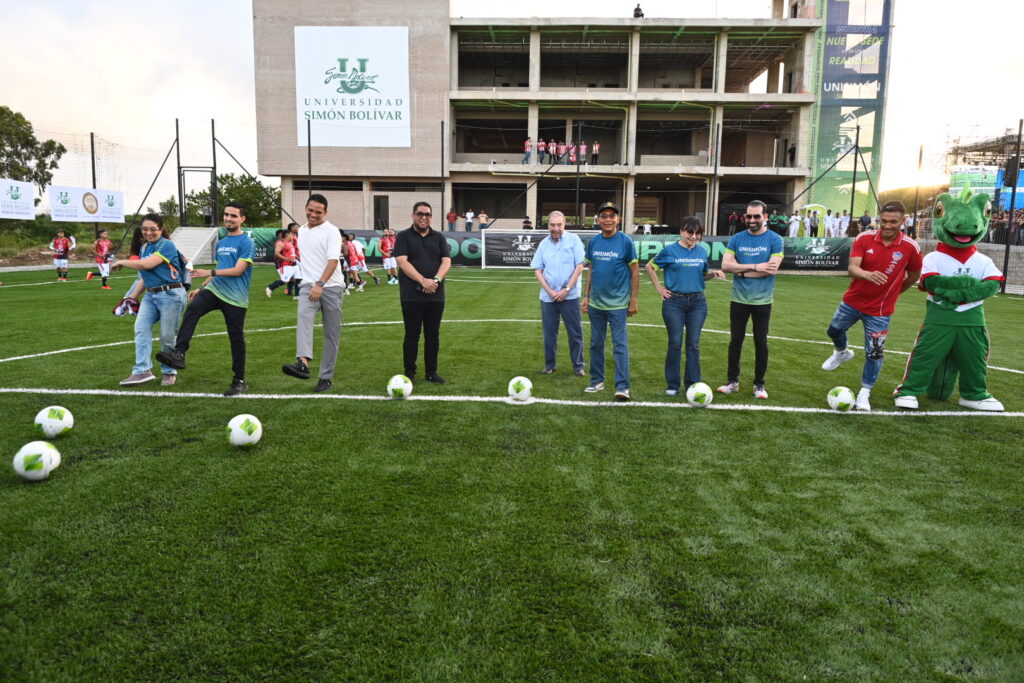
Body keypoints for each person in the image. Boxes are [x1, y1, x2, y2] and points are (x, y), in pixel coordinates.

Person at [821, 200, 922, 411]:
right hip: (852, 301)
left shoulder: (910, 247)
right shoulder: (864, 238)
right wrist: (867, 275)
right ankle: (841, 352)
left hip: (880, 311)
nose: (887, 225)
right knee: (834, 331)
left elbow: (914, 276)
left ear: (903, 221)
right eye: (884, 221)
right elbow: (852, 267)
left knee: (875, 352)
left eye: (893, 222)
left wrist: (893, 294)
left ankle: (864, 392)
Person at [156, 201, 254, 397]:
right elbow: (221, 267)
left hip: (235, 298)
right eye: (226, 214)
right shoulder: (222, 242)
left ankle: (239, 381)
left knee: (236, 338)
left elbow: (238, 270)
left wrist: (209, 272)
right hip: (215, 289)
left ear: (242, 219)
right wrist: (201, 287)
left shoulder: (247, 242)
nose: (228, 219)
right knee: (193, 309)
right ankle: (179, 353)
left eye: (234, 216)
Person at [646, 217, 725, 395]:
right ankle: (673, 384)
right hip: (674, 303)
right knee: (675, 343)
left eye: (698, 233)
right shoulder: (670, 250)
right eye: (690, 232)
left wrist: (713, 274)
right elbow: (650, 267)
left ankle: (693, 384)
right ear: (682, 231)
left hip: (698, 303)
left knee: (693, 344)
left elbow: (702, 275)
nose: (694, 236)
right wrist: (659, 288)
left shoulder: (702, 252)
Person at [717, 200, 784, 400]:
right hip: (738, 299)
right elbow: (725, 266)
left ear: (765, 217)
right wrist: (755, 267)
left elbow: (771, 269)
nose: (752, 220)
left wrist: (741, 271)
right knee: (735, 341)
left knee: (760, 342)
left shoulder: (775, 239)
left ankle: (759, 384)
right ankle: (732, 381)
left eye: (756, 216)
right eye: (749, 216)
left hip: (763, 301)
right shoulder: (737, 239)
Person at [111, 214, 188, 387]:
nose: (148, 232)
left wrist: (121, 261)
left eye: (153, 229)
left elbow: (146, 265)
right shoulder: (145, 247)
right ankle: (142, 371)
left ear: (161, 229)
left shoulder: (167, 245)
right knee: (141, 329)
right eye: (145, 229)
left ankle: (169, 372)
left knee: (166, 336)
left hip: (171, 294)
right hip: (151, 295)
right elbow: (144, 277)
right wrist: (131, 297)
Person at [280, 194, 344, 393]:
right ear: (305, 208)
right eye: (310, 210)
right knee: (303, 317)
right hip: (308, 285)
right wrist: (313, 284)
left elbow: (333, 260)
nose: (313, 215)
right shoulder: (302, 231)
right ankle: (303, 363)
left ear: (325, 212)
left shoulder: (332, 231)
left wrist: (320, 284)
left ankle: (325, 377)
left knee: (331, 334)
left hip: (331, 287)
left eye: (318, 212)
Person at [581, 202, 639, 401]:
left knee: (619, 345)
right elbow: (591, 269)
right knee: (596, 344)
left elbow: (635, 272)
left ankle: (622, 386)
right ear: (598, 220)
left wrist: (633, 300)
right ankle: (596, 381)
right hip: (596, 304)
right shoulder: (594, 242)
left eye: (612, 216)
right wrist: (586, 296)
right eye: (604, 216)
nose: (608, 219)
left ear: (618, 219)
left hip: (618, 305)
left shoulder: (626, 242)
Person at [394, 201, 451, 383]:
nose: (424, 217)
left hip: (436, 295)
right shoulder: (403, 236)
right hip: (411, 295)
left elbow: (446, 261)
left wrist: (435, 280)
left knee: (433, 335)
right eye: (420, 214)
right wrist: (422, 280)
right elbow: (402, 261)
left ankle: (431, 372)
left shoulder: (439, 237)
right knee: (412, 334)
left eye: (427, 214)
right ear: (413, 215)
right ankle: (409, 372)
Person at [531, 211, 586, 376]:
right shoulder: (543, 244)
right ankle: (550, 365)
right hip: (548, 298)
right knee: (549, 334)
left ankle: (578, 366)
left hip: (570, 296)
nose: (556, 228)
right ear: (548, 225)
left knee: (575, 333)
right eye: (552, 225)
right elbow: (538, 270)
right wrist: (550, 291)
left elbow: (579, 267)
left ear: (564, 224)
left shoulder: (574, 240)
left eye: (559, 225)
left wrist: (566, 290)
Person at [265, 230, 299, 298]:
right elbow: (277, 253)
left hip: (292, 264)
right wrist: (286, 259)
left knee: (297, 278)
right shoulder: (280, 242)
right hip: (283, 264)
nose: (292, 235)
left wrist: (298, 258)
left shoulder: (289, 242)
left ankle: (295, 295)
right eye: (290, 234)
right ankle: (270, 287)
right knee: (285, 280)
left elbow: (292, 253)